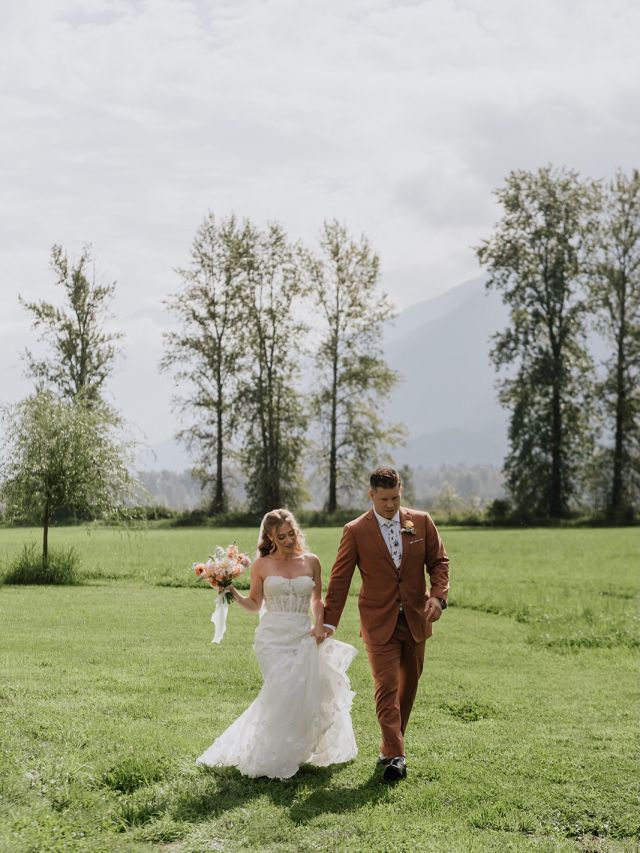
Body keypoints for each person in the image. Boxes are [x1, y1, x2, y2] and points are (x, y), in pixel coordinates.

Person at [196, 508, 358, 780]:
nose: (288, 539)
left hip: (302, 633)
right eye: (281, 536)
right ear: (270, 536)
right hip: (272, 638)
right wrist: (232, 591)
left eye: (291, 533)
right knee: (280, 690)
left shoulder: (311, 561)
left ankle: (293, 750)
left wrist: (320, 625)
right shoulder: (262, 565)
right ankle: (271, 752)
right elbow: (255, 604)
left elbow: (317, 600)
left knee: (301, 693)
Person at [322, 467, 449, 783]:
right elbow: (339, 582)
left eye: (395, 497)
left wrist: (438, 597)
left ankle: (390, 744)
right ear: (371, 496)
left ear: (401, 490)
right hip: (378, 621)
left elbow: (439, 562)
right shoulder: (355, 531)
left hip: (416, 619)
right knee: (387, 687)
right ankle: (396, 756)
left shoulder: (419, 522)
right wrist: (327, 624)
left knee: (409, 685)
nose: (390, 505)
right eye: (383, 499)